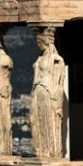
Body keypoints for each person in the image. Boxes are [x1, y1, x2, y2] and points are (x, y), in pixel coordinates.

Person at [29, 27, 65, 158]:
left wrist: (56, 98)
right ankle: (40, 150)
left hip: (48, 92)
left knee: (48, 122)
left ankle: (51, 152)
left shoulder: (56, 59)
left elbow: (60, 81)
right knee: (34, 120)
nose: (38, 44)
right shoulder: (40, 58)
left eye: (40, 41)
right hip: (37, 92)